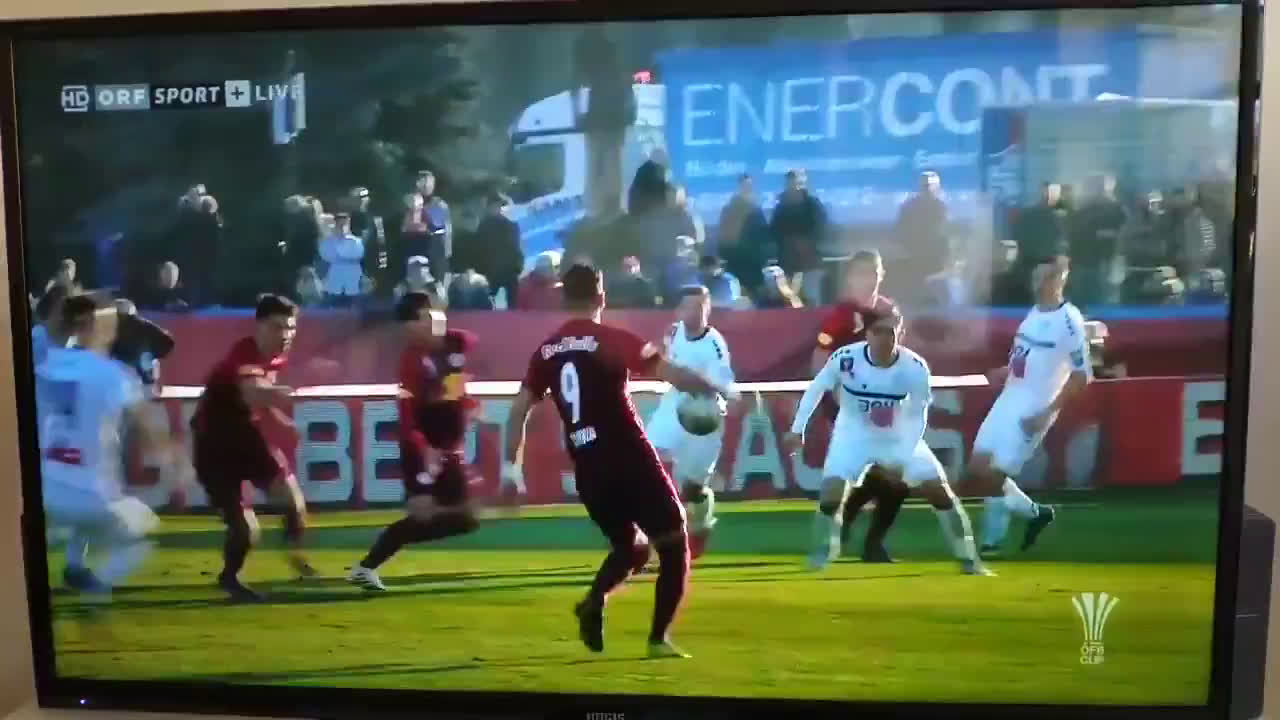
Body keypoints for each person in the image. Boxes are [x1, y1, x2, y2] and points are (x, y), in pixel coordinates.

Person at [501, 263, 737, 659]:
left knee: (632, 548)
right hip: (628, 454)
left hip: (588, 466)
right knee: (674, 542)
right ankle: (658, 640)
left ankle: (594, 601)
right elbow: (670, 373)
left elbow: (517, 411)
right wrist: (717, 389)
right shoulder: (611, 339)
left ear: (564, 298)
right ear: (601, 296)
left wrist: (511, 470)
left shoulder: (546, 351)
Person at [783, 309, 990, 575]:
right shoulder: (846, 359)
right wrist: (797, 429)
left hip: (900, 438)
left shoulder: (914, 367)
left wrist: (901, 459)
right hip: (853, 436)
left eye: (889, 332)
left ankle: (969, 559)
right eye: (877, 332)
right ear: (867, 335)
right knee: (831, 494)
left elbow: (918, 416)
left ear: (899, 334)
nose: (884, 338)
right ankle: (823, 552)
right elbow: (817, 388)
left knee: (939, 491)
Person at [348, 292, 480, 590]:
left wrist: (462, 399)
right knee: (425, 512)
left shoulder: (455, 342)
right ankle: (367, 566)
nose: (427, 325)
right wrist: (423, 452)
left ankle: (377, 553)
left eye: (429, 317)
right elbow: (409, 416)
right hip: (422, 449)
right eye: (418, 321)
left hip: (448, 448)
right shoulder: (412, 361)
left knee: (465, 519)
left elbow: (460, 365)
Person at [38, 295, 166, 596]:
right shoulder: (112, 372)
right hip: (90, 489)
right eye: (110, 322)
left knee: (76, 522)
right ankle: (96, 597)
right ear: (92, 326)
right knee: (142, 530)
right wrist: (172, 459)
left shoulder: (44, 364)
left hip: (45, 483)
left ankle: (72, 567)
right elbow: (146, 422)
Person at [190, 295, 314, 602]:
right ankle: (230, 578)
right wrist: (281, 395)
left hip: (248, 438)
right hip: (214, 448)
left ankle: (295, 556)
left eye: (290, 328)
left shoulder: (275, 358)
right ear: (258, 326)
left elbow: (257, 398)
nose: (285, 335)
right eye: (277, 327)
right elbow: (251, 391)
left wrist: (281, 419)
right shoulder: (243, 354)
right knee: (246, 531)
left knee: (294, 503)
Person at [970, 257, 1089, 556]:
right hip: (1009, 398)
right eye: (1036, 277)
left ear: (1059, 280)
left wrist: (1047, 412)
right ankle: (1037, 513)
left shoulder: (1069, 321)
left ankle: (992, 542)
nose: (1038, 284)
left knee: (996, 474)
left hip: (1034, 407)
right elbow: (1025, 357)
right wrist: (1004, 371)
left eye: (1045, 278)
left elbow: (1081, 376)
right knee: (979, 466)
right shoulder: (1034, 313)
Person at [810, 250, 908, 561]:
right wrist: (831, 394)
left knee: (891, 476)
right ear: (851, 277)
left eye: (873, 272)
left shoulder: (889, 310)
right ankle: (854, 533)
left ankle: (858, 531)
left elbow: (896, 354)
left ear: (882, 275)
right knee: (879, 473)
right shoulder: (841, 315)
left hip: (882, 404)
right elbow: (819, 356)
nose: (868, 279)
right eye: (862, 273)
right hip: (847, 406)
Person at [644, 286, 735, 560]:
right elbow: (662, 354)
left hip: (703, 416)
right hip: (673, 406)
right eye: (689, 306)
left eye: (700, 306)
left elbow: (721, 385)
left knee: (692, 488)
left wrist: (690, 381)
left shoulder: (714, 345)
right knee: (648, 460)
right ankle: (649, 534)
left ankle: (702, 523)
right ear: (679, 310)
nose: (694, 312)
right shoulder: (674, 332)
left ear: (708, 309)